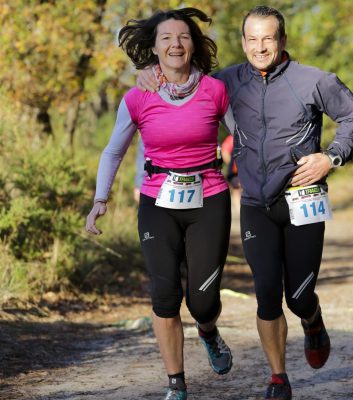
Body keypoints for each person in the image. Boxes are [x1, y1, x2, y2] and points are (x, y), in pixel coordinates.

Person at [136, 5, 353, 400]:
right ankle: (278, 378)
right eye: (253, 39)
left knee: (298, 296)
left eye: (269, 38)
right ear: (243, 42)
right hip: (256, 204)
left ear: (283, 40)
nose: (261, 46)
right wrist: (147, 73)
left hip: (301, 200)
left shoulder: (314, 80)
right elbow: (183, 84)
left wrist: (331, 157)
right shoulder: (225, 83)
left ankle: (312, 319)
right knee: (266, 293)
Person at [85, 8, 235, 400]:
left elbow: (245, 141)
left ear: (193, 45)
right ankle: (176, 384)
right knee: (164, 296)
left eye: (183, 36)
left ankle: (208, 330)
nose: (175, 44)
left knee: (203, 302)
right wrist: (100, 199)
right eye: (166, 37)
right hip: (157, 201)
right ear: (154, 47)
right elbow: (113, 152)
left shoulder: (215, 91)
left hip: (209, 198)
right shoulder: (138, 96)